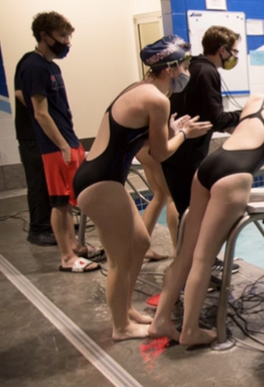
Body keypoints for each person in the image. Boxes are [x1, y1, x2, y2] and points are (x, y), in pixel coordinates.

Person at [149, 66, 264, 346]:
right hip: (234, 175)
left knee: (186, 252)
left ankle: (160, 321)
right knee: (203, 258)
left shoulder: (254, 99)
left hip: (210, 166)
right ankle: (190, 331)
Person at [73, 35, 211, 341]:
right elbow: (160, 154)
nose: (187, 71)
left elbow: (140, 141)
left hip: (100, 177)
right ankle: (120, 327)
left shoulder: (139, 89)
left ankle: (127, 312)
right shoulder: (157, 100)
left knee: (139, 242)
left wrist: (170, 130)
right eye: (184, 65)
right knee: (120, 259)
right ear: (171, 67)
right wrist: (184, 134)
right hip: (100, 183)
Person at [17, 11, 101, 273]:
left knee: (69, 198)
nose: (66, 41)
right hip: (55, 146)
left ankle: (75, 246)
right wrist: (62, 145)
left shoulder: (51, 66)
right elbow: (40, 112)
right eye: (62, 35)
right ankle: (66, 257)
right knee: (59, 201)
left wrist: (71, 142)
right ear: (44, 35)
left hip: (68, 138)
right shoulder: (33, 66)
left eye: (68, 35)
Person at [162, 26, 243, 243]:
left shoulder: (194, 67)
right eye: (234, 51)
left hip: (178, 150)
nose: (235, 56)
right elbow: (215, 119)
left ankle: (186, 259)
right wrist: (245, 114)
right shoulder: (208, 72)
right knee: (195, 212)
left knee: (186, 211)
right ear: (222, 50)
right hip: (187, 151)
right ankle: (194, 263)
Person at [14, 51, 55, 246]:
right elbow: (21, 93)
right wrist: (45, 109)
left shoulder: (47, 66)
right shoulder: (31, 65)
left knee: (49, 181)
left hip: (43, 135)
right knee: (38, 181)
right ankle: (38, 228)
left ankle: (52, 223)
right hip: (31, 135)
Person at [135, 145, 179, 260]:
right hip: (156, 147)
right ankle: (178, 251)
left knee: (160, 195)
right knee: (172, 196)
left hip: (141, 148)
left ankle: (140, 247)